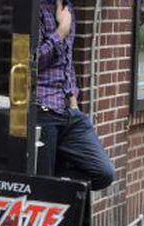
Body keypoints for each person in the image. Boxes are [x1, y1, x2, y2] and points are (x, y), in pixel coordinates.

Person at [36, 0, 115, 191]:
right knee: (40, 186)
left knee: (104, 173)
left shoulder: (67, 8)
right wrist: (60, 33)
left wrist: (73, 100)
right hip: (42, 109)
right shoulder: (35, 9)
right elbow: (31, 62)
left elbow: (68, 61)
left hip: (69, 112)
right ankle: (51, 185)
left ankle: (56, 182)